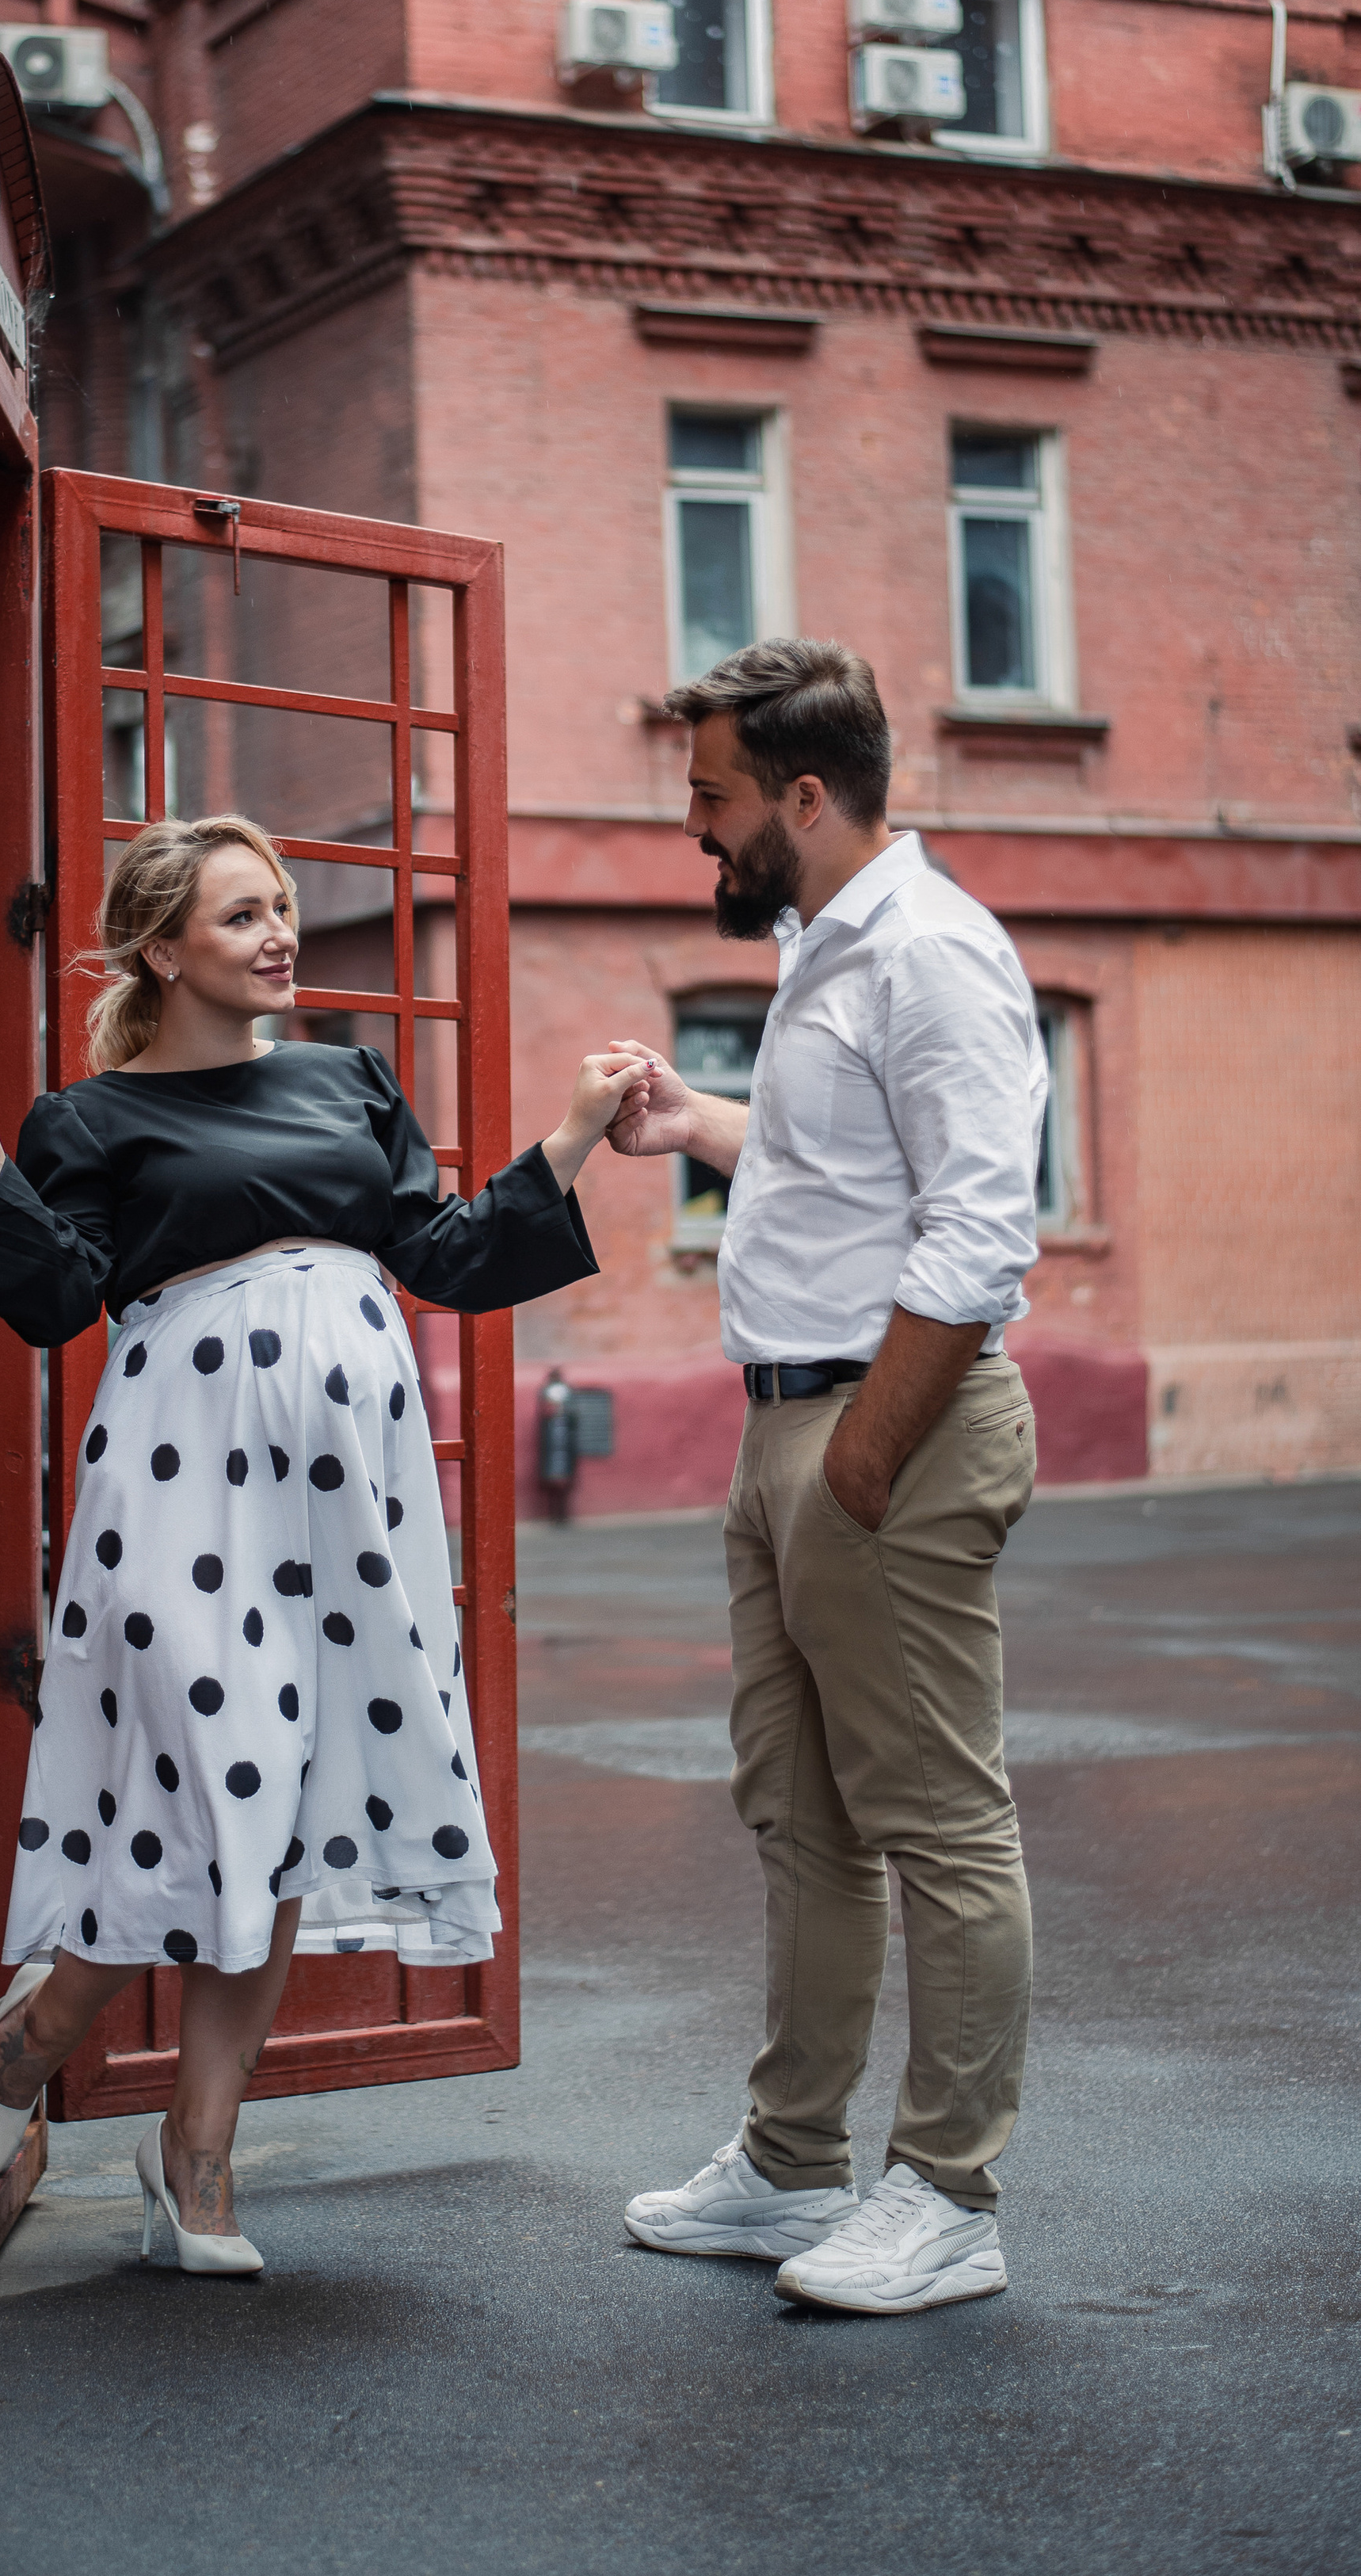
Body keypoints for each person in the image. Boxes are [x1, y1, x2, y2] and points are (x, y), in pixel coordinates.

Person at [0, 811, 644, 2275]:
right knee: (220, 1767)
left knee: (286, 1788)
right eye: (241, 915)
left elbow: (445, 1256)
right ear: (163, 948)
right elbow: (56, 1299)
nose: (279, 933)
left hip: (348, 1503)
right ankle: (53, 2024)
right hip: (181, 1482)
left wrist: (571, 1134)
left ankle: (193, 2159)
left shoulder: (348, 1081)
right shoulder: (88, 1119)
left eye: (281, 906)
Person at [606, 638, 1045, 2318]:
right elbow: (835, 1162)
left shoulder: (929, 951)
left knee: (936, 1817)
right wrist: (694, 1123)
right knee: (799, 1814)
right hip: (783, 1419)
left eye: (712, 798)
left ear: (802, 793)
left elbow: (976, 1226)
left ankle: (946, 2190)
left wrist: (860, 1455)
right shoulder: (823, 941)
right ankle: (790, 2161)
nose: (696, 831)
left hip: (885, 1429)